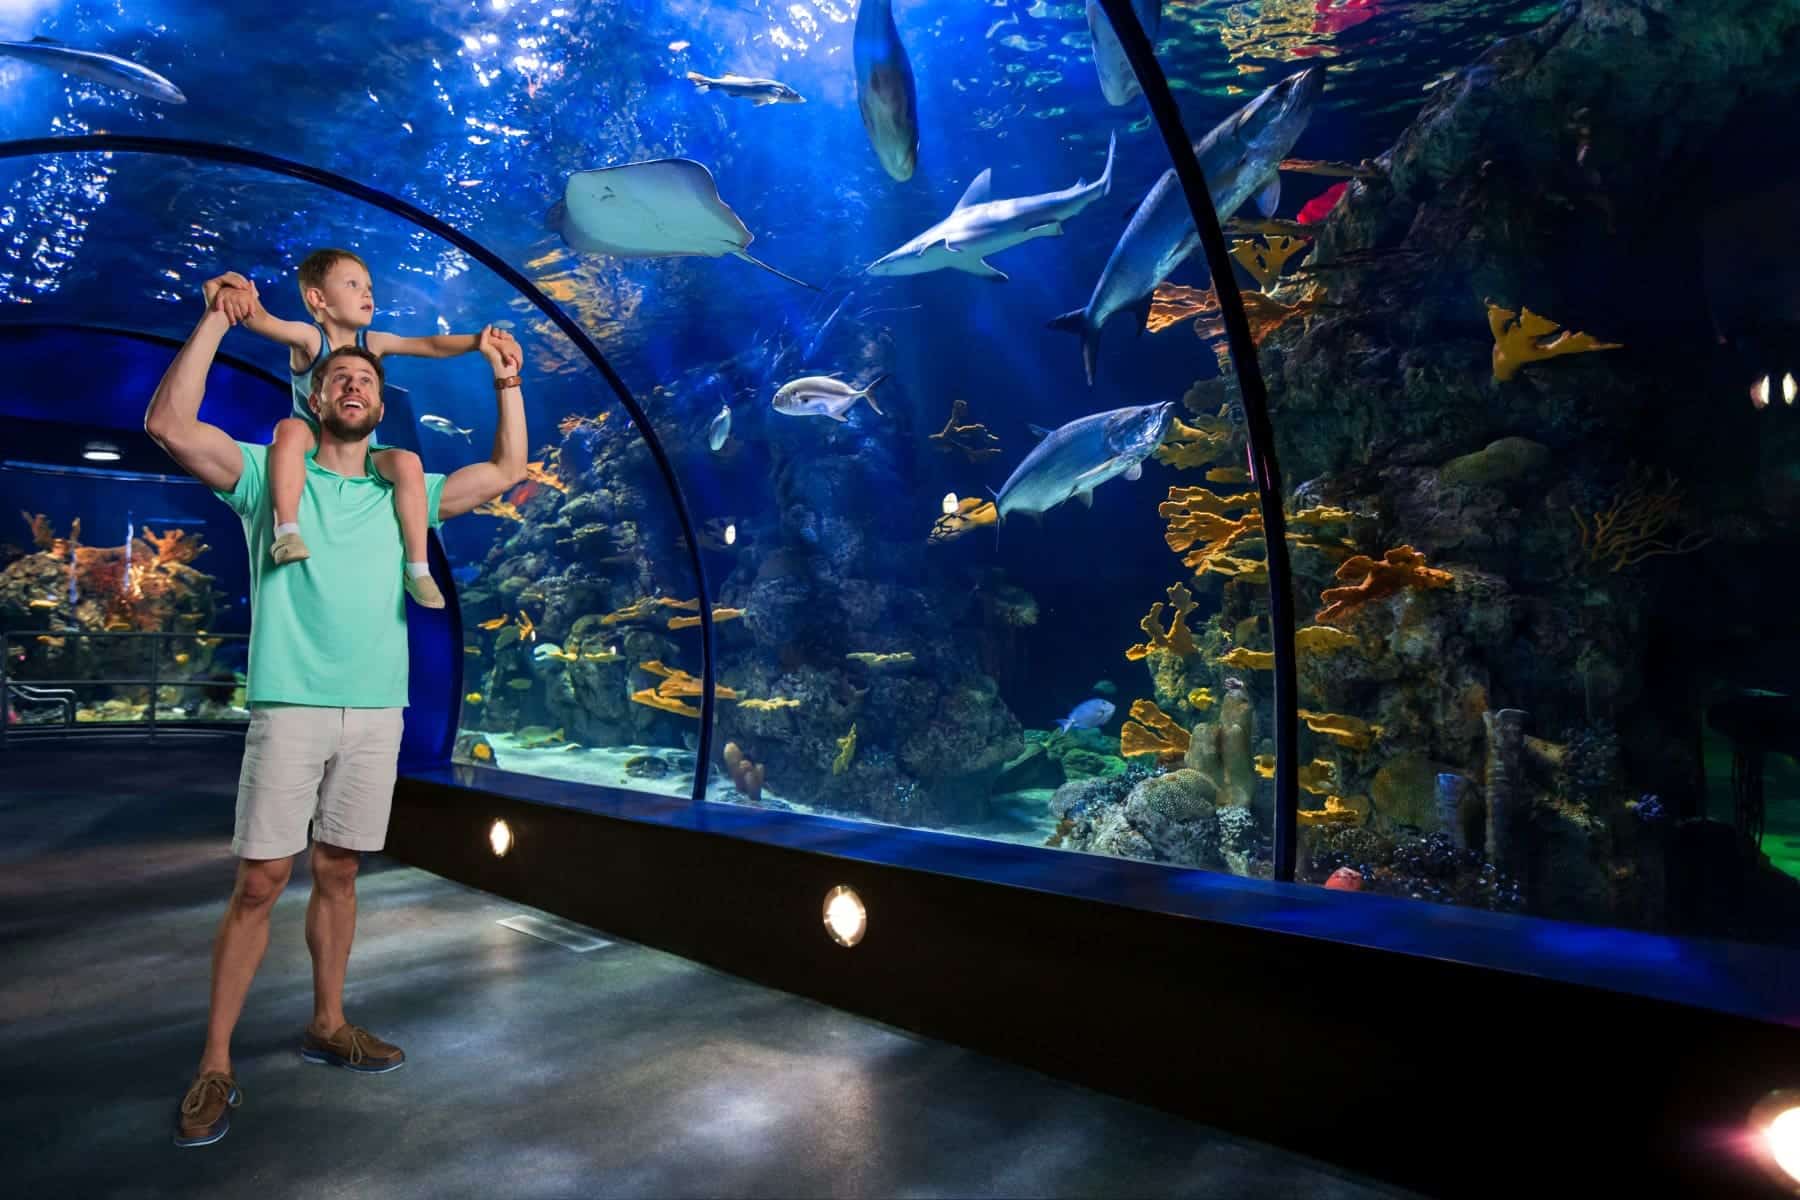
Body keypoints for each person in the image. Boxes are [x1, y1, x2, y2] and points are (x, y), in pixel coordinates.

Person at [144, 283, 528, 1148]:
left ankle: (327, 1023)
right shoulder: (264, 476)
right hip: (292, 708)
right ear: (316, 397)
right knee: (259, 884)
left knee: (342, 870)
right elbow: (167, 425)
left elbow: (505, 473)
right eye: (338, 377)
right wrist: (218, 317)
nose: (352, 384)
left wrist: (507, 382)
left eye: (366, 378)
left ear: (381, 405)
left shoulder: (408, 494)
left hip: (376, 715)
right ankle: (214, 1064)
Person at [202, 251, 497, 609]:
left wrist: (477, 342)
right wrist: (242, 300)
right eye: (353, 284)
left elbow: (429, 345)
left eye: (369, 287)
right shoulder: (310, 339)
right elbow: (263, 321)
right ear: (317, 299)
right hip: (315, 439)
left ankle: (418, 568)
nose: (367, 294)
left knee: (406, 463)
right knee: (290, 430)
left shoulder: (373, 343)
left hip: (362, 449)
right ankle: (287, 532)